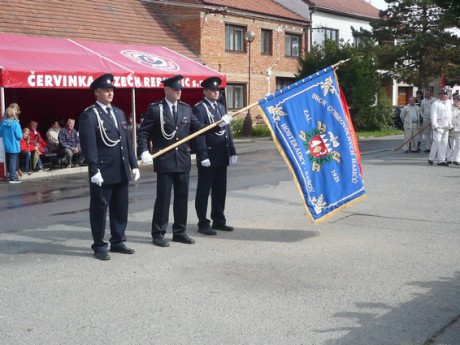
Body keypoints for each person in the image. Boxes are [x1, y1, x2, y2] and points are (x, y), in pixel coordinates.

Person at [137, 74, 231, 247]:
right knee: (163, 198)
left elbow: (200, 130)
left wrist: (219, 125)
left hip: (182, 159)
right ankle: (158, 233)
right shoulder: (156, 109)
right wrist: (143, 151)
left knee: (182, 198)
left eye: (180, 89)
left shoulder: (186, 109)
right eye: (175, 89)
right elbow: (143, 132)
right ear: (166, 90)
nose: (179, 92)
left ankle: (180, 231)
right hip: (165, 160)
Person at [79, 73, 140, 260]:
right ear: (96, 93)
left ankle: (118, 240)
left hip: (120, 168)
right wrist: (93, 169)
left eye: (111, 90)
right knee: (99, 209)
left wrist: (133, 164)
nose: (110, 93)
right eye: (106, 90)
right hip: (103, 170)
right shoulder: (89, 115)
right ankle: (99, 245)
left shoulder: (119, 112)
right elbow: (89, 145)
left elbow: (127, 142)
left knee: (120, 207)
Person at [192, 76, 237, 235]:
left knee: (220, 190)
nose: (216, 92)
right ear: (205, 91)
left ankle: (219, 220)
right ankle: (203, 222)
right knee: (204, 191)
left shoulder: (220, 107)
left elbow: (226, 132)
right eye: (212, 90)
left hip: (221, 154)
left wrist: (231, 150)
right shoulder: (199, 108)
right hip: (209, 155)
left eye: (217, 90)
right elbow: (199, 133)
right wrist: (202, 154)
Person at [428, 88, 452, 166]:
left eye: (445, 94)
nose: (443, 96)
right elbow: (433, 115)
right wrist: (434, 125)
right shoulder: (436, 103)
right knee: (437, 142)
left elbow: (450, 114)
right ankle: (431, 158)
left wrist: (450, 124)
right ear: (439, 95)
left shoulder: (448, 103)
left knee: (444, 143)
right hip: (439, 126)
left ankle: (440, 160)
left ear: (447, 95)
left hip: (446, 126)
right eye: (442, 94)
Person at [0, 107, 22, 183]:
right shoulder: (15, 123)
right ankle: (13, 178)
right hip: (14, 145)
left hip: (7, 145)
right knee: (13, 161)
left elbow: (0, 133)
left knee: (11, 160)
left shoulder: (3, 123)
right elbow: (19, 136)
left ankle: (12, 176)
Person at [448, 94, 460, 165]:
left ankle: (457, 159)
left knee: (458, 145)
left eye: (458, 100)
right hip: (451, 128)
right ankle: (449, 158)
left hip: (459, 129)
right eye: (455, 99)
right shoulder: (450, 107)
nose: (457, 101)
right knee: (450, 145)